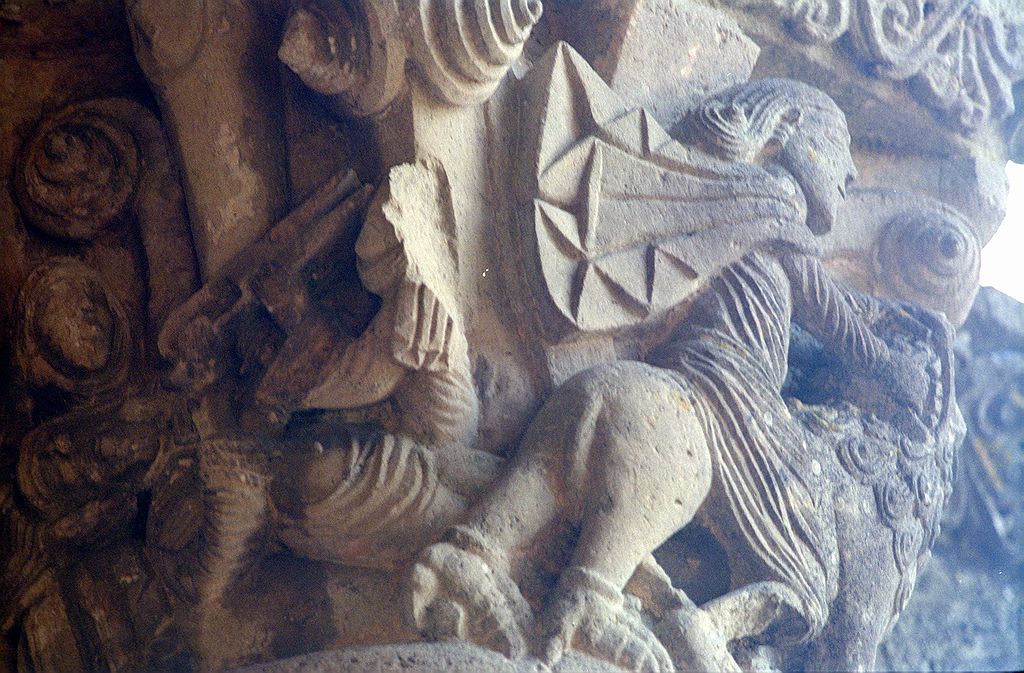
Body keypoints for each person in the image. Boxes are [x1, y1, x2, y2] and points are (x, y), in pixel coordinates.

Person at [408, 79, 930, 672]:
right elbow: (831, 313)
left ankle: (475, 550)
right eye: (838, 145)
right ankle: (599, 594)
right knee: (809, 567)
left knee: (546, 480)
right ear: (786, 132)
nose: (850, 174)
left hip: (687, 375)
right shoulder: (776, 202)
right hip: (727, 392)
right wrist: (891, 366)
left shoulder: (733, 194)